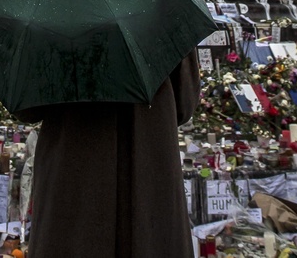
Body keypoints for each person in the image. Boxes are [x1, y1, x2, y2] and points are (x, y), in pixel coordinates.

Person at [19, 51, 200, 257]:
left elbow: (27, 108)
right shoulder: (165, 19)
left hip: (70, 167)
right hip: (148, 159)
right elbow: (185, 104)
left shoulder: (53, 20)